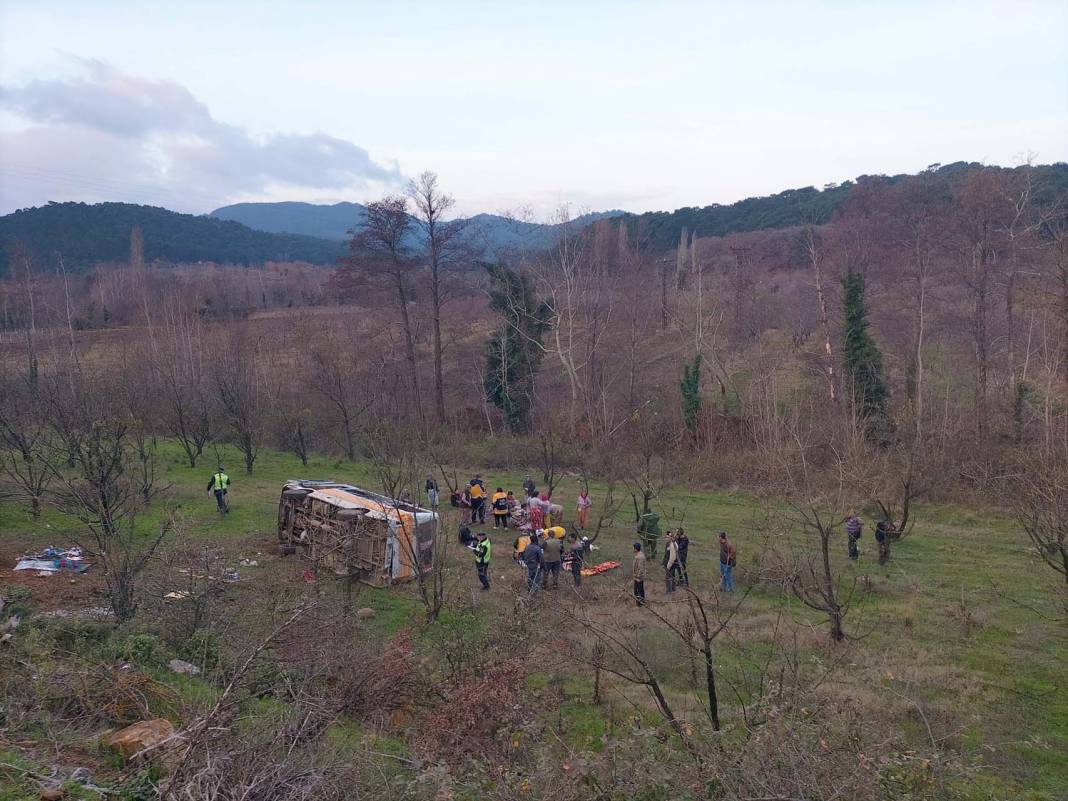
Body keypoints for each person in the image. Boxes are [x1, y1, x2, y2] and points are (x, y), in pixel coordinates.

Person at [632, 541, 646, 606]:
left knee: (637, 591)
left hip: (638, 577)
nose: (633, 549)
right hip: (638, 576)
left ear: (635, 549)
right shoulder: (639, 555)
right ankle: (642, 602)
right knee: (640, 590)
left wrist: (637, 577)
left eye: (633, 548)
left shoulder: (639, 557)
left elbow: (640, 568)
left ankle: (640, 604)